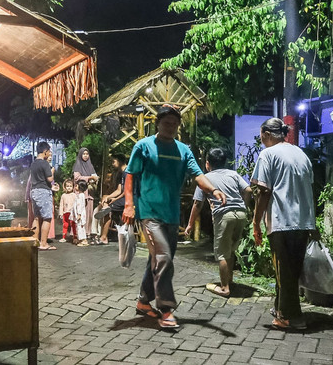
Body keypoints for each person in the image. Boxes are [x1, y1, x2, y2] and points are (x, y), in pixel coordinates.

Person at [122, 105, 226, 329]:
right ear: (157, 123)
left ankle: (143, 302)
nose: (170, 127)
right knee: (163, 259)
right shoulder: (144, 146)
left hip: (171, 214)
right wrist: (129, 204)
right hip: (148, 212)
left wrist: (214, 190)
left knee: (158, 259)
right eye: (166, 123)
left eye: (174, 124)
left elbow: (198, 175)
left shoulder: (183, 150)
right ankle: (166, 309)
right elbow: (130, 174)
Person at [251, 117, 316, 330]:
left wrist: (256, 222)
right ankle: (280, 309)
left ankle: (291, 318)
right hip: (303, 221)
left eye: (261, 137)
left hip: (282, 221)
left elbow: (264, 191)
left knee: (283, 271)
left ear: (267, 135)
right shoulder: (301, 154)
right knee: (291, 271)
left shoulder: (268, 154)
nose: (261, 141)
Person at [185, 148, 252, 297]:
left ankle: (225, 288)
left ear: (207, 164)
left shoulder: (205, 178)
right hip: (240, 214)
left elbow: (197, 204)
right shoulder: (233, 174)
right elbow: (248, 190)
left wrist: (190, 224)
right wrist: (244, 207)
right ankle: (230, 281)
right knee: (231, 250)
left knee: (222, 253)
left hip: (224, 215)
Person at [29, 142, 56, 250]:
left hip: (34, 191)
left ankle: (35, 242)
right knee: (47, 218)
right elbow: (50, 179)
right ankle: (43, 243)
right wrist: (52, 171)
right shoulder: (44, 164)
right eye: (49, 151)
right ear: (45, 151)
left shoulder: (33, 163)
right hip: (43, 191)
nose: (49, 154)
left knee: (36, 217)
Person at [99, 154, 128, 245]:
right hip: (122, 197)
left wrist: (114, 199)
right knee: (106, 203)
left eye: (114, 161)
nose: (112, 164)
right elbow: (119, 190)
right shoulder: (121, 173)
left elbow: (126, 191)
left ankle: (103, 237)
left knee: (107, 209)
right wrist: (108, 196)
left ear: (119, 161)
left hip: (129, 198)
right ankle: (103, 236)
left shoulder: (128, 172)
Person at [73, 148, 99, 242]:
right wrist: (89, 178)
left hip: (90, 192)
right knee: (80, 212)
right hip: (81, 192)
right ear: (80, 155)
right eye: (83, 154)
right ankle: (78, 234)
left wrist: (95, 178)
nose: (85, 155)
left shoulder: (90, 165)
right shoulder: (78, 165)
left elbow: (94, 175)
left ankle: (87, 233)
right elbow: (77, 178)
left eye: (87, 154)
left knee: (88, 214)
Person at [58, 179, 77, 243]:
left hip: (72, 213)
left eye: (70, 186)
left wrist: (77, 212)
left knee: (73, 225)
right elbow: (61, 205)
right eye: (67, 186)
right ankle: (64, 237)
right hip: (65, 213)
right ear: (65, 187)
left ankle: (75, 237)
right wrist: (61, 213)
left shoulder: (74, 195)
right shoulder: (63, 195)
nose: (69, 188)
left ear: (73, 187)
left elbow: (76, 204)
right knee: (65, 225)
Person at [72, 180, 89, 247]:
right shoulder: (80, 195)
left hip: (80, 214)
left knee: (80, 227)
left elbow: (80, 205)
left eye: (76, 185)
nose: (75, 187)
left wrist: (79, 214)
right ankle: (80, 239)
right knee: (79, 227)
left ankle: (83, 239)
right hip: (80, 214)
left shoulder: (81, 195)